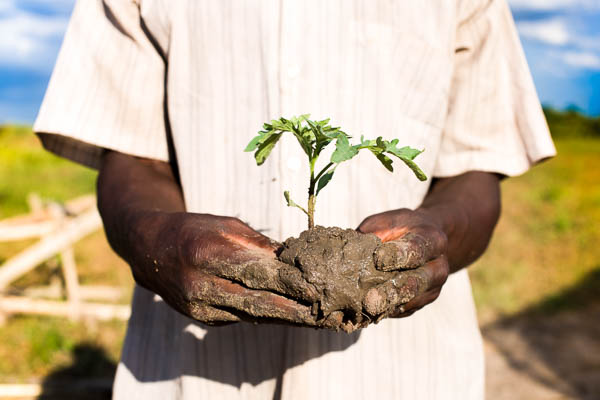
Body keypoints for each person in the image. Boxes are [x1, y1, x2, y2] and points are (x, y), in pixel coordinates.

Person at [34, 0, 556, 398]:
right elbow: (129, 154)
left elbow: (477, 167)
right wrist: (151, 235)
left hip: (400, 372)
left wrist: (435, 240)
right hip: (189, 365)